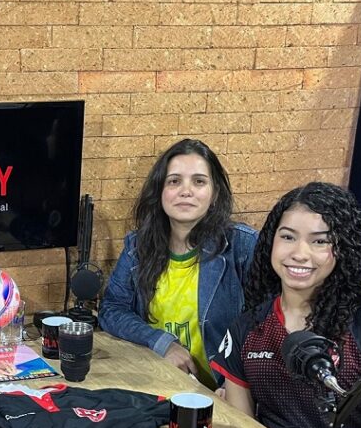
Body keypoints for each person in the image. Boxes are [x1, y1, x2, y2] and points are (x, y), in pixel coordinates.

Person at [210, 183, 361, 428]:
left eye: (320, 241)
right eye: (287, 237)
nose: (300, 254)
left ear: (343, 249)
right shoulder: (247, 328)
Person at [98, 138, 258, 389]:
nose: (186, 191)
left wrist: (237, 387)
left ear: (214, 193)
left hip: (222, 393)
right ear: (159, 191)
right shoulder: (138, 246)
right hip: (158, 385)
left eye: (199, 181)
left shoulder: (242, 247)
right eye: (174, 181)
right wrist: (162, 343)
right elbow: (112, 309)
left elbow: (268, 325)